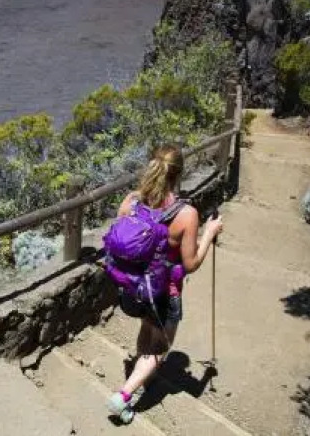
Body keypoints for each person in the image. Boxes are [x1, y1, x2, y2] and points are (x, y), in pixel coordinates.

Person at [106, 144, 224, 421]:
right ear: (179, 174)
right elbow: (190, 263)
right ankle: (123, 397)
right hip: (163, 293)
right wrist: (209, 233)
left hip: (132, 288)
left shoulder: (131, 201)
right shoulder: (186, 214)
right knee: (161, 346)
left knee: (146, 328)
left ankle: (141, 371)